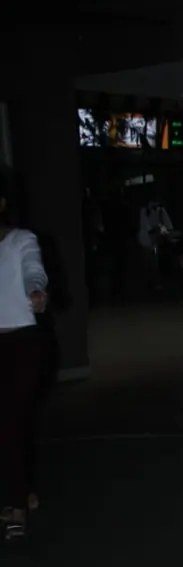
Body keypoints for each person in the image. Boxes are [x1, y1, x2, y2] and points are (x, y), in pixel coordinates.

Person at [0, 175, 48, 541]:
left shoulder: (21, 240)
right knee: (9, 424)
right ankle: (22, 489)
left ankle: (16, 507)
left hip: (22, 343)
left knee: (11, 422)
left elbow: (34, 268)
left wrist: (36, 290)